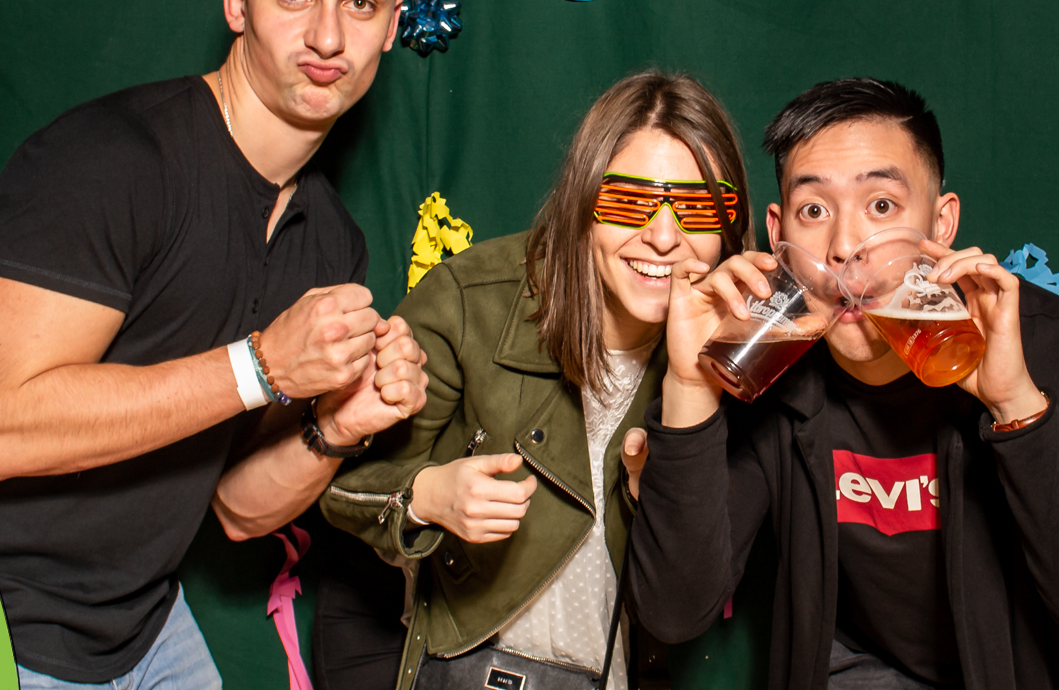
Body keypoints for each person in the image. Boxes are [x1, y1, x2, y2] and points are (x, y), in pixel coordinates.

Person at [0, 0, 431, 690]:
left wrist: (338, 426)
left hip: (134, 627)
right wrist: (261, 365)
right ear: (237, 3)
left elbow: (239, 508)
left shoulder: (330, 244)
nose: (328, 36)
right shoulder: (113, 160)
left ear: (392, 26)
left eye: (360, 4)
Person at [627, 78, 1059, 690]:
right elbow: (674, 612)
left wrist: (1016, 405)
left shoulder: (1058, 349)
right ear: (778, 237)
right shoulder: (771, 364)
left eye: (882, 206)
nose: (845, 247)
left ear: (941, 225)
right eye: (814, 211)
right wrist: (689, 386)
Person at [320, 71, 750, 690]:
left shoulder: (739, 355)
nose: (663, 237)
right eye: (628, 201)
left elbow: (686, 605)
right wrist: (427, 495)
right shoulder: (472, 299)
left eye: (699, 208)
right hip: (470, 665)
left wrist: (690, 401)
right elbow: (341, 481)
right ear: (583, 201)